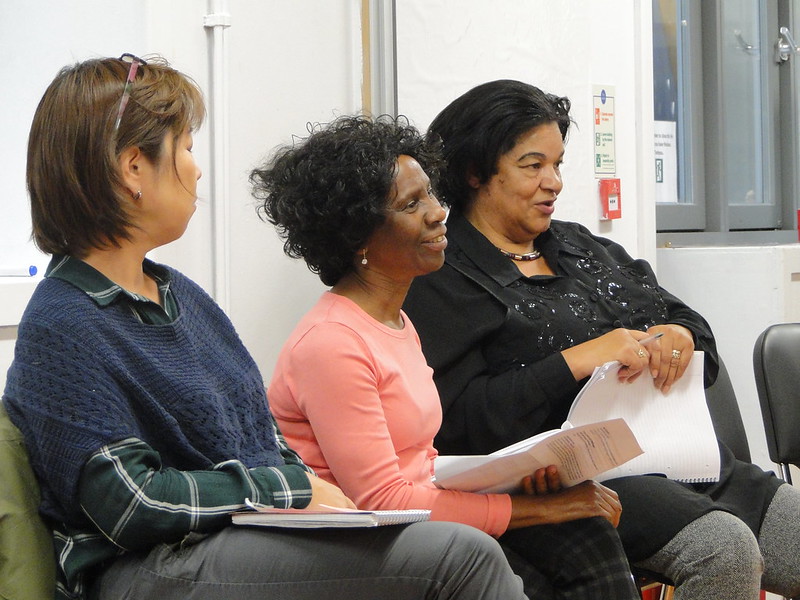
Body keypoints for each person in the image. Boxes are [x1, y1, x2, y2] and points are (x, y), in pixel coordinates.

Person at [2, 56, 529, 600]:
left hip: (233, 537)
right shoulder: (64, 322)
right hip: (143, 569)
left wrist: (309, 493)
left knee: (449, 550)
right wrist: (290, 488)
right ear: (134, 167)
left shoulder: (182, 296)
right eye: (184, 147)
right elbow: (132, 503)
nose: (196, 168)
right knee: (458, 557)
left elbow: (262, 432)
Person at [402, 79, 800, 600]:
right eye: (532, 165)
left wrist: (677, 334)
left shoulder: (583, 248)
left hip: (685, 457)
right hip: (585, 483)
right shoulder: (441, 279)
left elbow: (687, 321)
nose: (554, 183)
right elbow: (462, 421)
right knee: (723, 550)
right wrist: (579, 359)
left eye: (559, 164)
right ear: (476, 173)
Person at [252, 114, 640, 600]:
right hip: (361, 546)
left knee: (587, 542)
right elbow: (384, 501)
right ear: (359, 237)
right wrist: (543, 508)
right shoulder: (332, 343)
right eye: (412, 204)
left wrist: (524, 484)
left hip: (418, 526)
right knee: (539, 561)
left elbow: (420, 465)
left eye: (431, 194)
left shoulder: (396, 320)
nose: (438, 213)